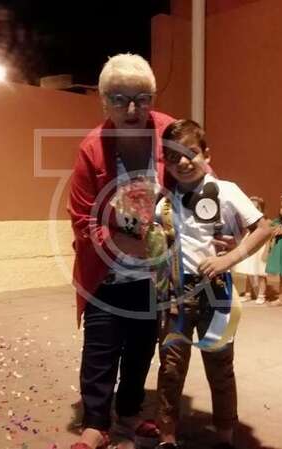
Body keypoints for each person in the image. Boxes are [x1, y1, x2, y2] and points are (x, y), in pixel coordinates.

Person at [67, 54, 175, 449]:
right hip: (106, 274)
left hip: (152, 277)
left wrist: (215, 221)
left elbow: (200, 180)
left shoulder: (169, 133)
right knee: (101, 348)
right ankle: (96, 422)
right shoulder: (92, 148)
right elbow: (82, 217)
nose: (132, 109)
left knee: (141, 349)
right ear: (103, 101)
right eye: (119, 99)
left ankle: (129, 412)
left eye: (142, 98)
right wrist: (124, 243)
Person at [155, 119, 271, 449]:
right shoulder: (164, 199)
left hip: (216, 292)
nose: (183, 161)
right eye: (173, 156)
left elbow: (264, 228)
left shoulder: (226, 191)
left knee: (220, 366)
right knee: (171, 367)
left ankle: (224, 436)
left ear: (207, 154)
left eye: (190, 152)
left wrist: (228, 258)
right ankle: (167, 436)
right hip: (175, 294)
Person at [234, 196, 269, 304]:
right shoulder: (248, 221)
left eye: (256, 208)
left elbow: (268, 237)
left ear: (261, 210)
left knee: (261, 273)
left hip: (260, 247)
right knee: (249, 271)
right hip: (250, 245)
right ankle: (248, 293)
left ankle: (262, 294)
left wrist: (266, 251)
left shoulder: (265, 222)